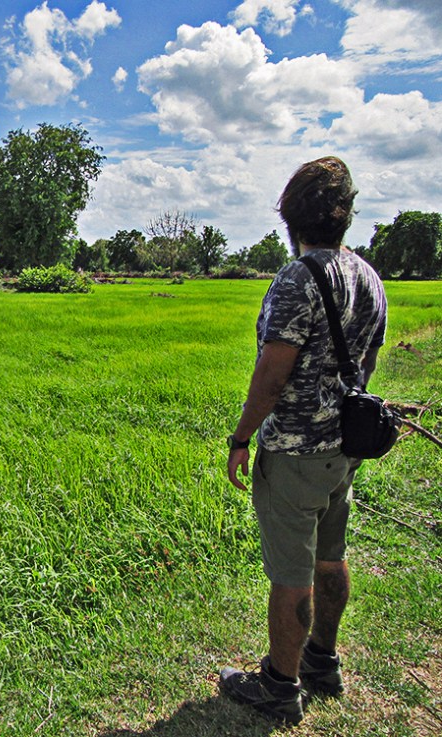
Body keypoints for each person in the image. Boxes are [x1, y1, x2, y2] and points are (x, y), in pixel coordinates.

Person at [219, 156, 388, 725]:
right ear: (345, 217)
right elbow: (365, 363)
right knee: (332, 556)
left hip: (294, 451)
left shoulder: (297, 278)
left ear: (289, 217)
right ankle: (323, 660)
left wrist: (242, 437)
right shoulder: (368, 276)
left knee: (291, 572)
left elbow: (272, 375)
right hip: (345, 449)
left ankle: (279, 686)